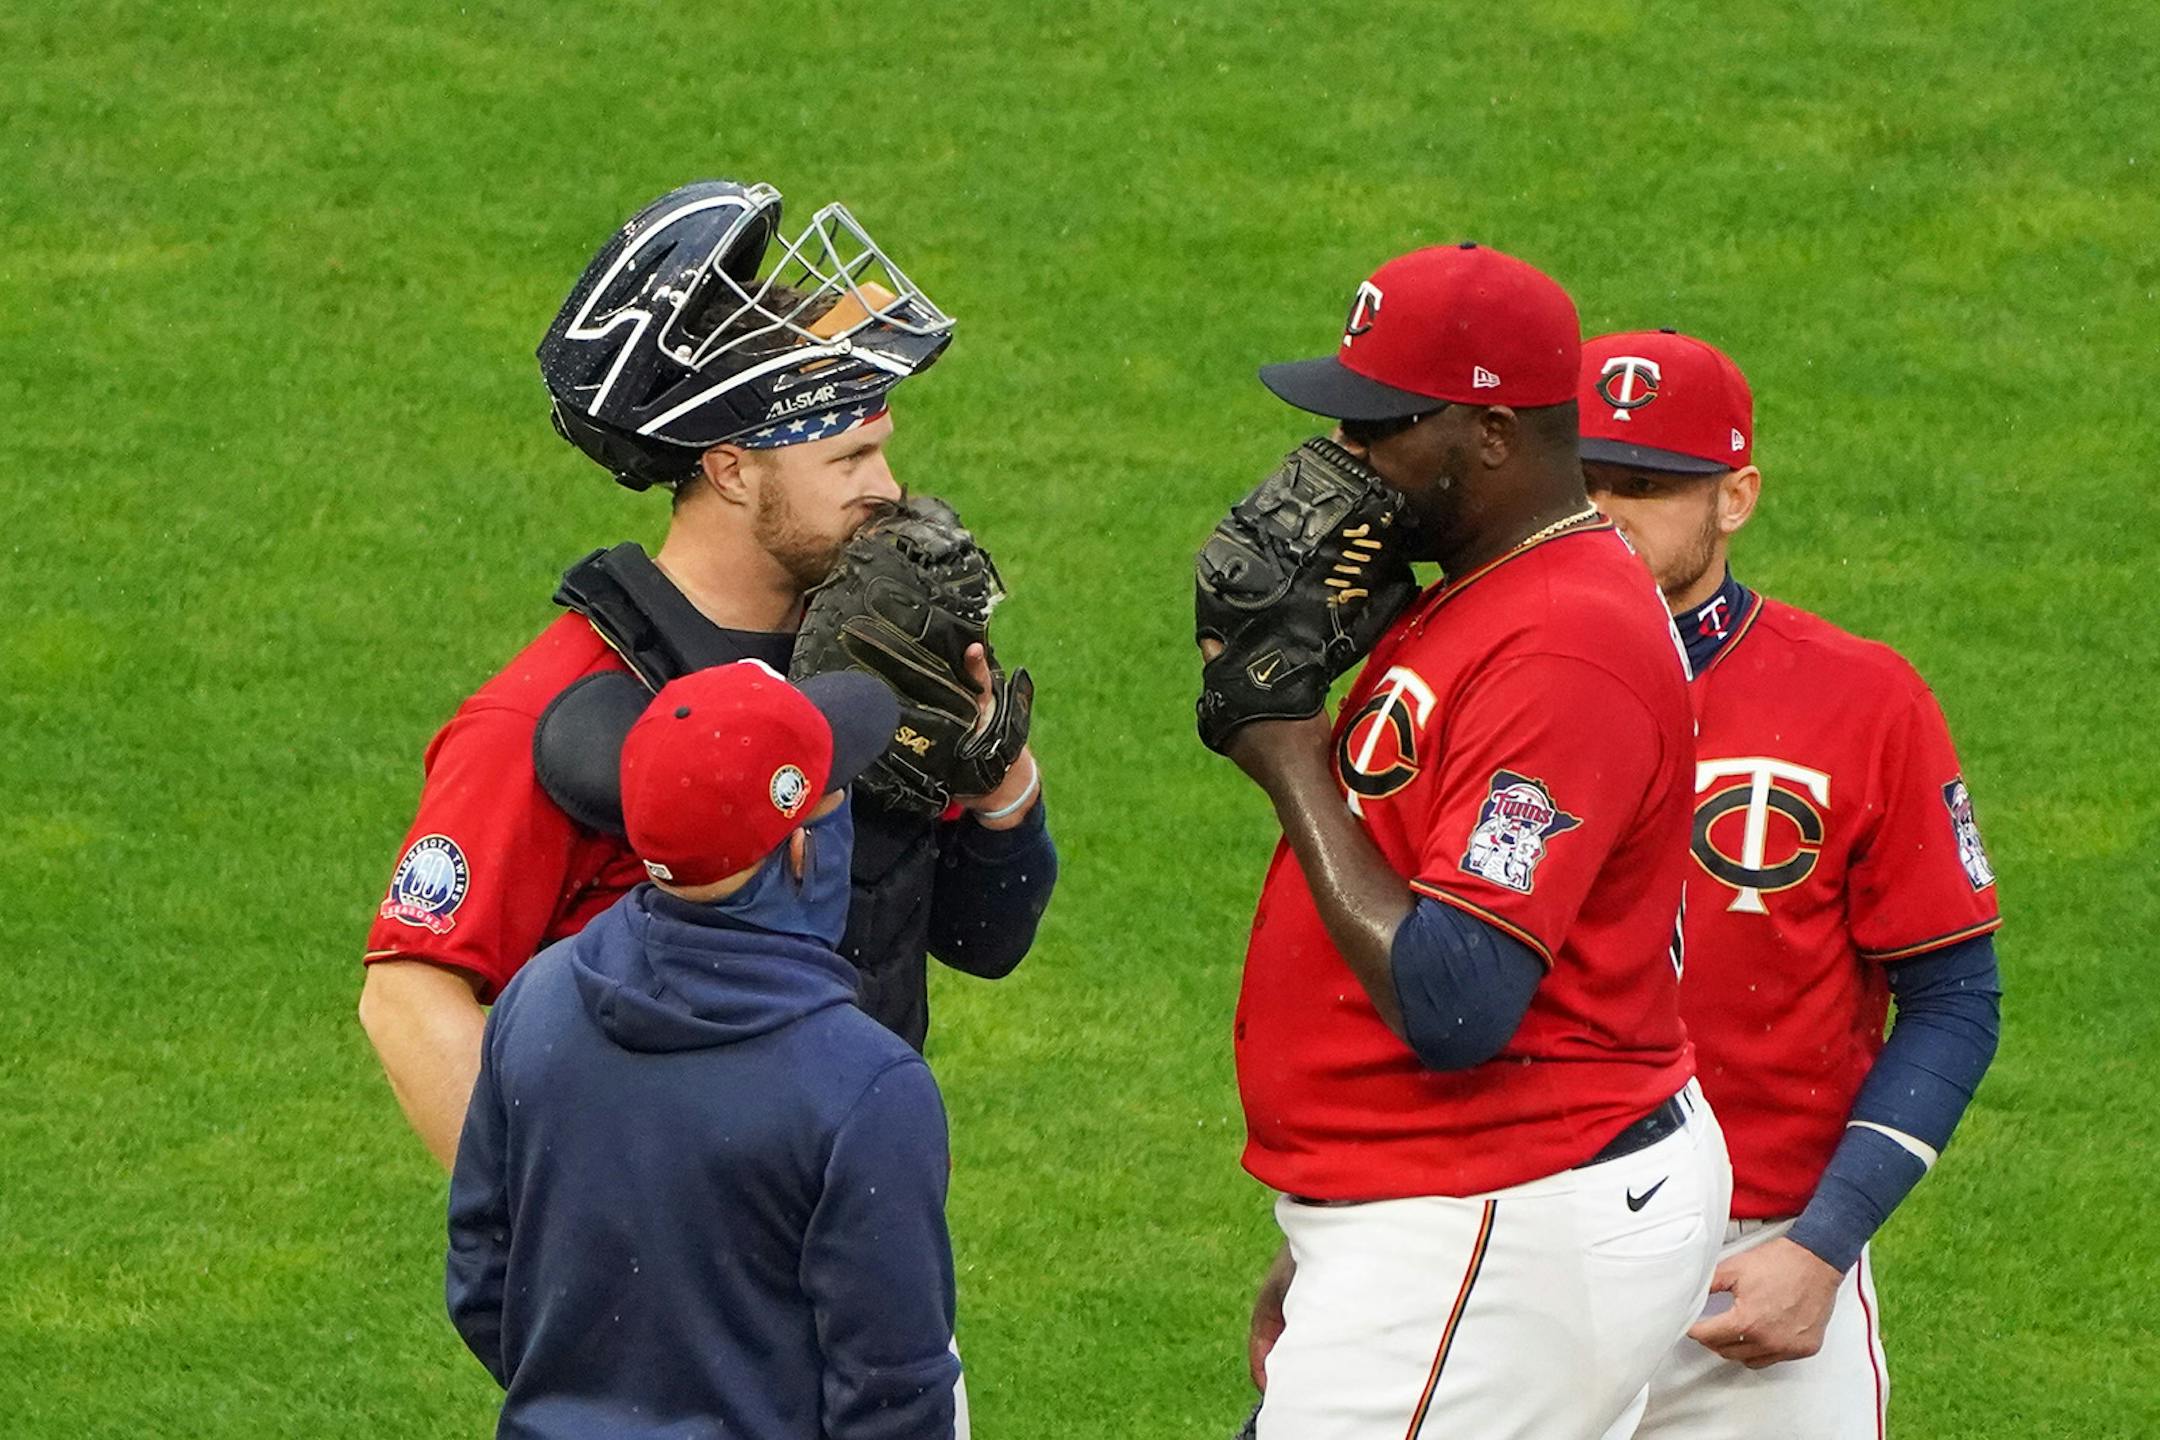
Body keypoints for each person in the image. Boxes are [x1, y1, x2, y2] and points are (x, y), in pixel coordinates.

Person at [360, 179, 1056, 1167]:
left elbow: (986, 939)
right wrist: (558, 1221)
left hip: (855, 1235)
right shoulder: (547, 711)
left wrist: (1000, 790)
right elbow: (408, 990)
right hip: (674, 1277)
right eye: (849, 459)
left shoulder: (879, 661)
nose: (888, 492)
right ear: (732, 469)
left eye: (884, 453)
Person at [1219, 243, 1730, 1439]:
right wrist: (1337, 1246)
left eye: (1382, 426)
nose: (1346, 457)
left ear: (1492, 435)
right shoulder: (1486, 588)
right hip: (1458, 1214)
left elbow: (1458, 999)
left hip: (1501, 1211)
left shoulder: (1561, 647)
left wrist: (1285, 750)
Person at [1577, 329, 2004, 1438]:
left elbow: (1955, 1000)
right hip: (1516, 1246)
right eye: (1583, 482)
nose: (1610, 513)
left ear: (1736, 498)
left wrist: (1823, 1246)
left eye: (1651, 487)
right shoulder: (1473, 681)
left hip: (1754, 1273)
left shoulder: (1861, 700)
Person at [448, 660, 967, 1440]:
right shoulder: (865, 1086)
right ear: (801, 851)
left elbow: (482, 1276)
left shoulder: (537, 1000)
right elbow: (894, 1398)